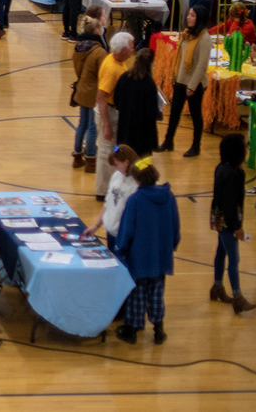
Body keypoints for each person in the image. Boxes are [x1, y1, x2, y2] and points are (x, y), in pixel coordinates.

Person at [113, 159, 179, 344]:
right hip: (160, 254)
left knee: (138, 292)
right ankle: (159, 330)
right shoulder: (169, 197)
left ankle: (132, 330)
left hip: (140, 255)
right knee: (157, 292)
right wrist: (170, 246)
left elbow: (127, 230)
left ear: (137, 179)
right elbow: (175, 226)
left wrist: (120, 249)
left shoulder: (135, 200)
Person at [209, 133, 256, 314]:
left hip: (218, 216)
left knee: (221, 252)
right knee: (234, 258)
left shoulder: (220, 168)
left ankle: (217, 287)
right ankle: (238, 297)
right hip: (229, 220)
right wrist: (237, 227)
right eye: (245, 146)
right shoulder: (236, 174)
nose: (247, 149)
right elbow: (231, 203)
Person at [162, 6, 210, 157]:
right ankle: (168, 142)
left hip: (195, 84)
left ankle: (196, 146)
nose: (188, 17)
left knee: (196, 115)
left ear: (199, 19)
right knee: (174, 112)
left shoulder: (204, 38)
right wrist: (174, 76)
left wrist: (192, 86)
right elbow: (179, 58)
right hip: (181, 80)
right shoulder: (186, 34)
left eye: (192, 15)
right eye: (188, 14)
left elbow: (202, 65)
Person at [96, 33, 137, 198]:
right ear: (123, 50)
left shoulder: (117, 61)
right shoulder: (112, 69)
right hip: (109, 112)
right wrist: (106, 124)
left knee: (111, 150)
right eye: (132, 46)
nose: (133, 49)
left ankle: (108, 187)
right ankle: (102, 191)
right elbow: (101, 97)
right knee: (106, 152)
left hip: (114, 111)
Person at [71, 10, 109, 171]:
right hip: (94, 92)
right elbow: (104, 73)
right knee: (92, 126)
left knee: (82, 124)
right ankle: (91, 159)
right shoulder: (99, 51)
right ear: (97, 31)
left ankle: (77, 155)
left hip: (81, 89)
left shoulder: (78, 47)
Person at [83, 144, 138, 242]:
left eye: (117, 164)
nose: (115, 168)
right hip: (111, 233)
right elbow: (107, 203)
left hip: (124, 236)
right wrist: (96, 225)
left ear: (126, 162)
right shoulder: (116, 176)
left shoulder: (137, 184)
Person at [113, 49, 162, 157]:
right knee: (141, 164)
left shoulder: (124, 77)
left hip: (125, 127)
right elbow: (151, 111)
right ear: (151, 63)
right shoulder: (148, 83)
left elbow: (116, 100)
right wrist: (159, 113)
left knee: (125, 161)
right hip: (142, 132)